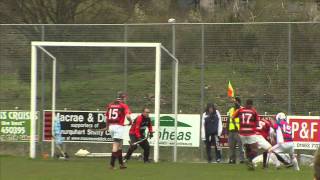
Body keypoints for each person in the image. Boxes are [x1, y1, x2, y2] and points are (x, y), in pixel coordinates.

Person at [101, 92, 132, 170]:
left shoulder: (110, 105)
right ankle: (111, 165)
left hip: (111, 126)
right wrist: (131, 121)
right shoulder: (123, 105)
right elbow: (128, 116)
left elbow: (107, 117)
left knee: (120, 145)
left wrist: (107, 126)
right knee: (115, 145)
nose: (125, 99)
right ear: (123, 98)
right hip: (118, 127)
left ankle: (121, 164)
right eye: (125, 98)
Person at [233, 99, 259, 170]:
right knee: (255, 149)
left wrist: (237, 126)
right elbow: (257, 124)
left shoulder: (240, 110)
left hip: (242, 133)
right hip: (251, 133)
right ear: (251, 105)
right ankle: (249, 160)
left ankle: (250, 165)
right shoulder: (254, 111)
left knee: (247, 148)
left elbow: (233, 117)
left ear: (245, 104)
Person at [226, 97, 244, 164]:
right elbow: (228, 120)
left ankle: (242, 160)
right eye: (234, 102)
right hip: (231, 131)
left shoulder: (242, 109)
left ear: (239, 102)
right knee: (231, 146)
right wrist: (227, 129)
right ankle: (232, 159)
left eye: (236, 102)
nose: (234, 103)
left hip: (239, 131)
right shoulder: (231, 110)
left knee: (240, 146)